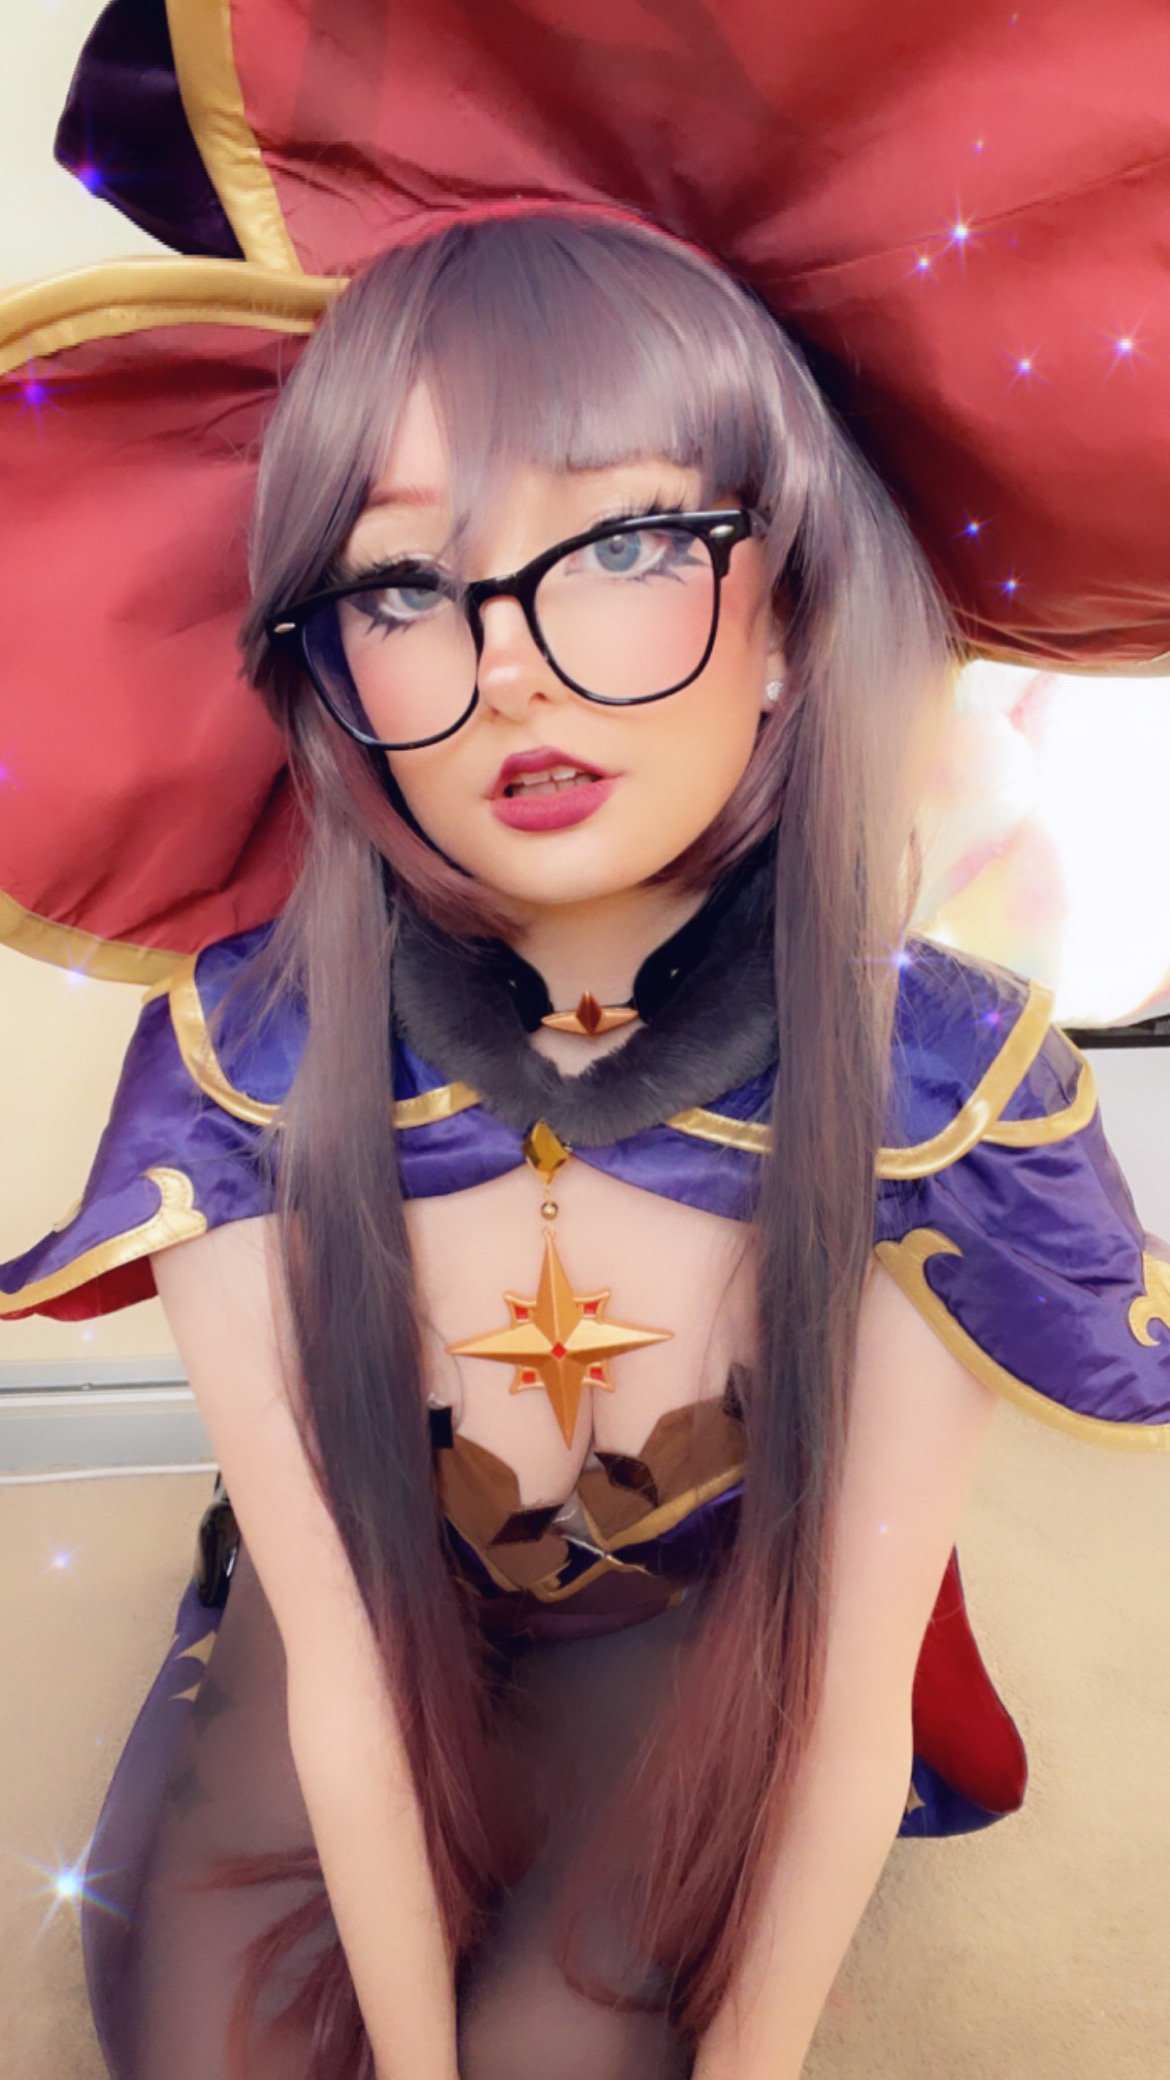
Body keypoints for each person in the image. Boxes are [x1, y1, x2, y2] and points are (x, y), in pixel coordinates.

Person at [5, 209, 1170, 2080]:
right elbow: (350, 1663)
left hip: (680, 1630)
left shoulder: (938, 1086)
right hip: (364, 1618)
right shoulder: (246, 1064)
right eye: (401, 583)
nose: (507, 665)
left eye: (621, 541)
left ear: (789, 615)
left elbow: (841, 1699)